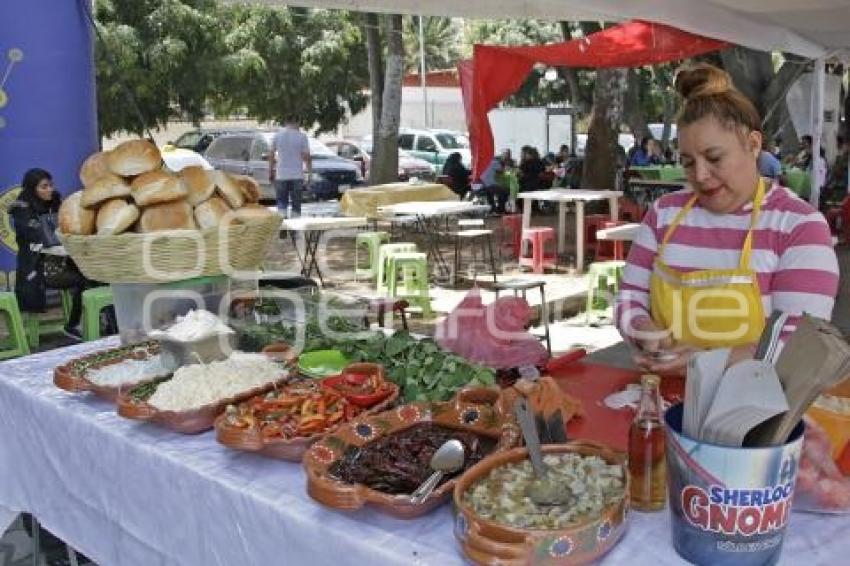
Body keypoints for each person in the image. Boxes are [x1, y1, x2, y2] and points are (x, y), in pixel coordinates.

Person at [615, 63, 839, 376]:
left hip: (757, 410)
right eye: (688, 162)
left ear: (753, 145)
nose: (701, 176)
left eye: (714, 158)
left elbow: (798, 341)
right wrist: (643, 330)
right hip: (662, 397)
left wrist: (704, 362)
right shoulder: (663, 215)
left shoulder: (799, 227)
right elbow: (629, 298)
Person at [9, 169, 89, 340]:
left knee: (96, 274)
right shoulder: (21, 208)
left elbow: (68, 225)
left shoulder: (56, 201)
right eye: (44, 187)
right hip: (38, 268)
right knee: (85, 279)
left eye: (51, 185)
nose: (49, 190)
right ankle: (73, 325)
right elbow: (38, 234)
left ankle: (102, 322)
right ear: (32, 188)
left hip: (64, 260)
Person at [269, 114, 311, 217]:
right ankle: (295, 230)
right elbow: (306, 157)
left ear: (285, 122)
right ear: (297, 122)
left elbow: (271, 155)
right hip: (297, 175)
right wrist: (310, 172)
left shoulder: (277, 136)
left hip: (281, 175)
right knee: (296, 205)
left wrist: (270, 171)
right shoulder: (302, 137)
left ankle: (283, 226)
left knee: (281, 203)